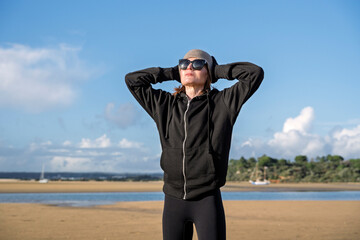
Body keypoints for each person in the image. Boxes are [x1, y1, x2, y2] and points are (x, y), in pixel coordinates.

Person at [125, 49, 264, 240]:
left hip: (206, 199)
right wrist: (172, 72)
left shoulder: (223, 103)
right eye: (184, 63)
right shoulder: (164, 105)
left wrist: (217, 70)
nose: (189, 67)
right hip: (173, 199)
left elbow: (254, 73)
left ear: (209, 71)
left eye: (198, 64)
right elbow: (132, 80)